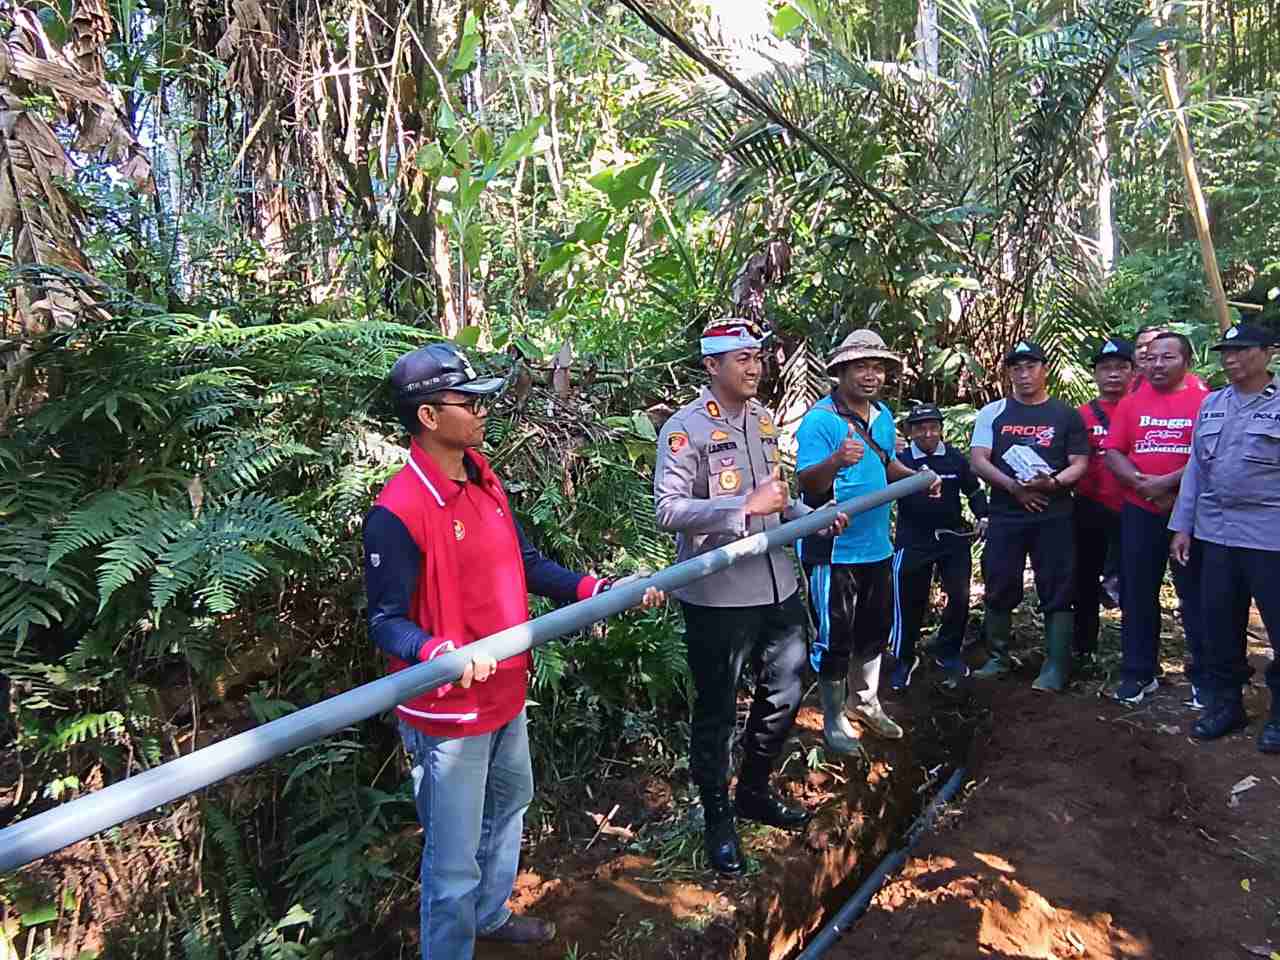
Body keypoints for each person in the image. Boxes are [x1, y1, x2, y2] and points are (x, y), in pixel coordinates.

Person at [363, 343, 664, 958]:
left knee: (510, 806)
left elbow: (523, 563)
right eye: (466, 401)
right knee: (450, 859)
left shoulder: (484, 479)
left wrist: (593, 589)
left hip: (504, 692)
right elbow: (386, 621)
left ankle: (490, 915)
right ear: (427, 416)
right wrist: (437, 651)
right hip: (449, 711)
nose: (480, 410)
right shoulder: (398, 510)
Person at [654, 318, 848, 875]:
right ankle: (718, 819)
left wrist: (809, 519)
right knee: (716, 708)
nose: (754, 365)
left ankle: (754, 790)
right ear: (712, 367)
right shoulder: (684, 429)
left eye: (757, 355)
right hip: (718, 593)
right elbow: (668, 509)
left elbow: (778, 499)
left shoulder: (763, 421)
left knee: (787, 686)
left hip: (776, 581)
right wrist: (741, 511)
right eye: (740, 357)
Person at [795, 329, 937, 746]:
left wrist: (919, 479)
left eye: (877, 367)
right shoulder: (820, 421)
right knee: (834, 635)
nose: (871, 375)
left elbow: (887, 462)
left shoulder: (884, 417)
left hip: (877, 546)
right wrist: (836, 460)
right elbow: (807, 482)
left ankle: (866, 701)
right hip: (834, 551)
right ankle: (834, 717)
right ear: (840, 372)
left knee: (874, 630)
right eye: (861, 366)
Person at [1169, 323, 1280, 753]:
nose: (1230, 359)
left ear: (1268, 353)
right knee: (1219, 623)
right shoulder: (1213, 404)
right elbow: (1196, 470)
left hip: (1270, 535)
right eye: (1225, 352)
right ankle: (1225, 703)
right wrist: (1183, 525)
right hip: (1217, 533)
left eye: (1241, 351)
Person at [969, 341, 1089, 691]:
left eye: (1031, 367)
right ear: (1009, 373)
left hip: (1054, 514)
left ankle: (1055, 665)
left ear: (1044, 369)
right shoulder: (994, 412)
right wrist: (1014, 488)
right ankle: (998, 656)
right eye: (1017, 369)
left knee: (1057, 584)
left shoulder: (1066, 415)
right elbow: (979, 459)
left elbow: (1079, 463)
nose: (1024, 375)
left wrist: (1051, 483)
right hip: (1007, 513)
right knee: (1000, 580)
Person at [1103, 331, 1208, 706]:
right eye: (1152, 358)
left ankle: (1205, 678)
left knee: (1195, 595)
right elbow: (1113, 451)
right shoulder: (1132, 403)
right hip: (1140, 510)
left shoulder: (1205, 402)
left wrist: (1167, 485)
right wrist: (1140, 483)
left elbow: (1206, 456)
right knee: (1137, 593)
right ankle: (1138, 673)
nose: (1158, 365)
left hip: (1189, 514)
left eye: (1168, 358)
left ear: (1186, 362)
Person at [887, 404, 989, 688]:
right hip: (913, 540)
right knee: (908, 600)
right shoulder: (901, 461)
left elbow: (974, 489)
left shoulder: (955, 458)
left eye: (933, 427)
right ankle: (904, 658)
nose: (928, 433)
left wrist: (983, 515)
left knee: (959, 596)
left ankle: (948, 652)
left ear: (941, 429)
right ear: (909, 432)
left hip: (952, 537)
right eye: (920, 428)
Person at [1073, 338, 1135, 668]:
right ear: (1095, 374)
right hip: (1090, 505)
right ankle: (1083, 647)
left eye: (1121, 368)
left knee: (1136, 580)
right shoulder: (1080, 416)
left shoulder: (1143, 409)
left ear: (1132, 372)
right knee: (1084, 577)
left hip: (1136, 507)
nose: (1113, 375)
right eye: (1106, 368)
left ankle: (1137, 653)